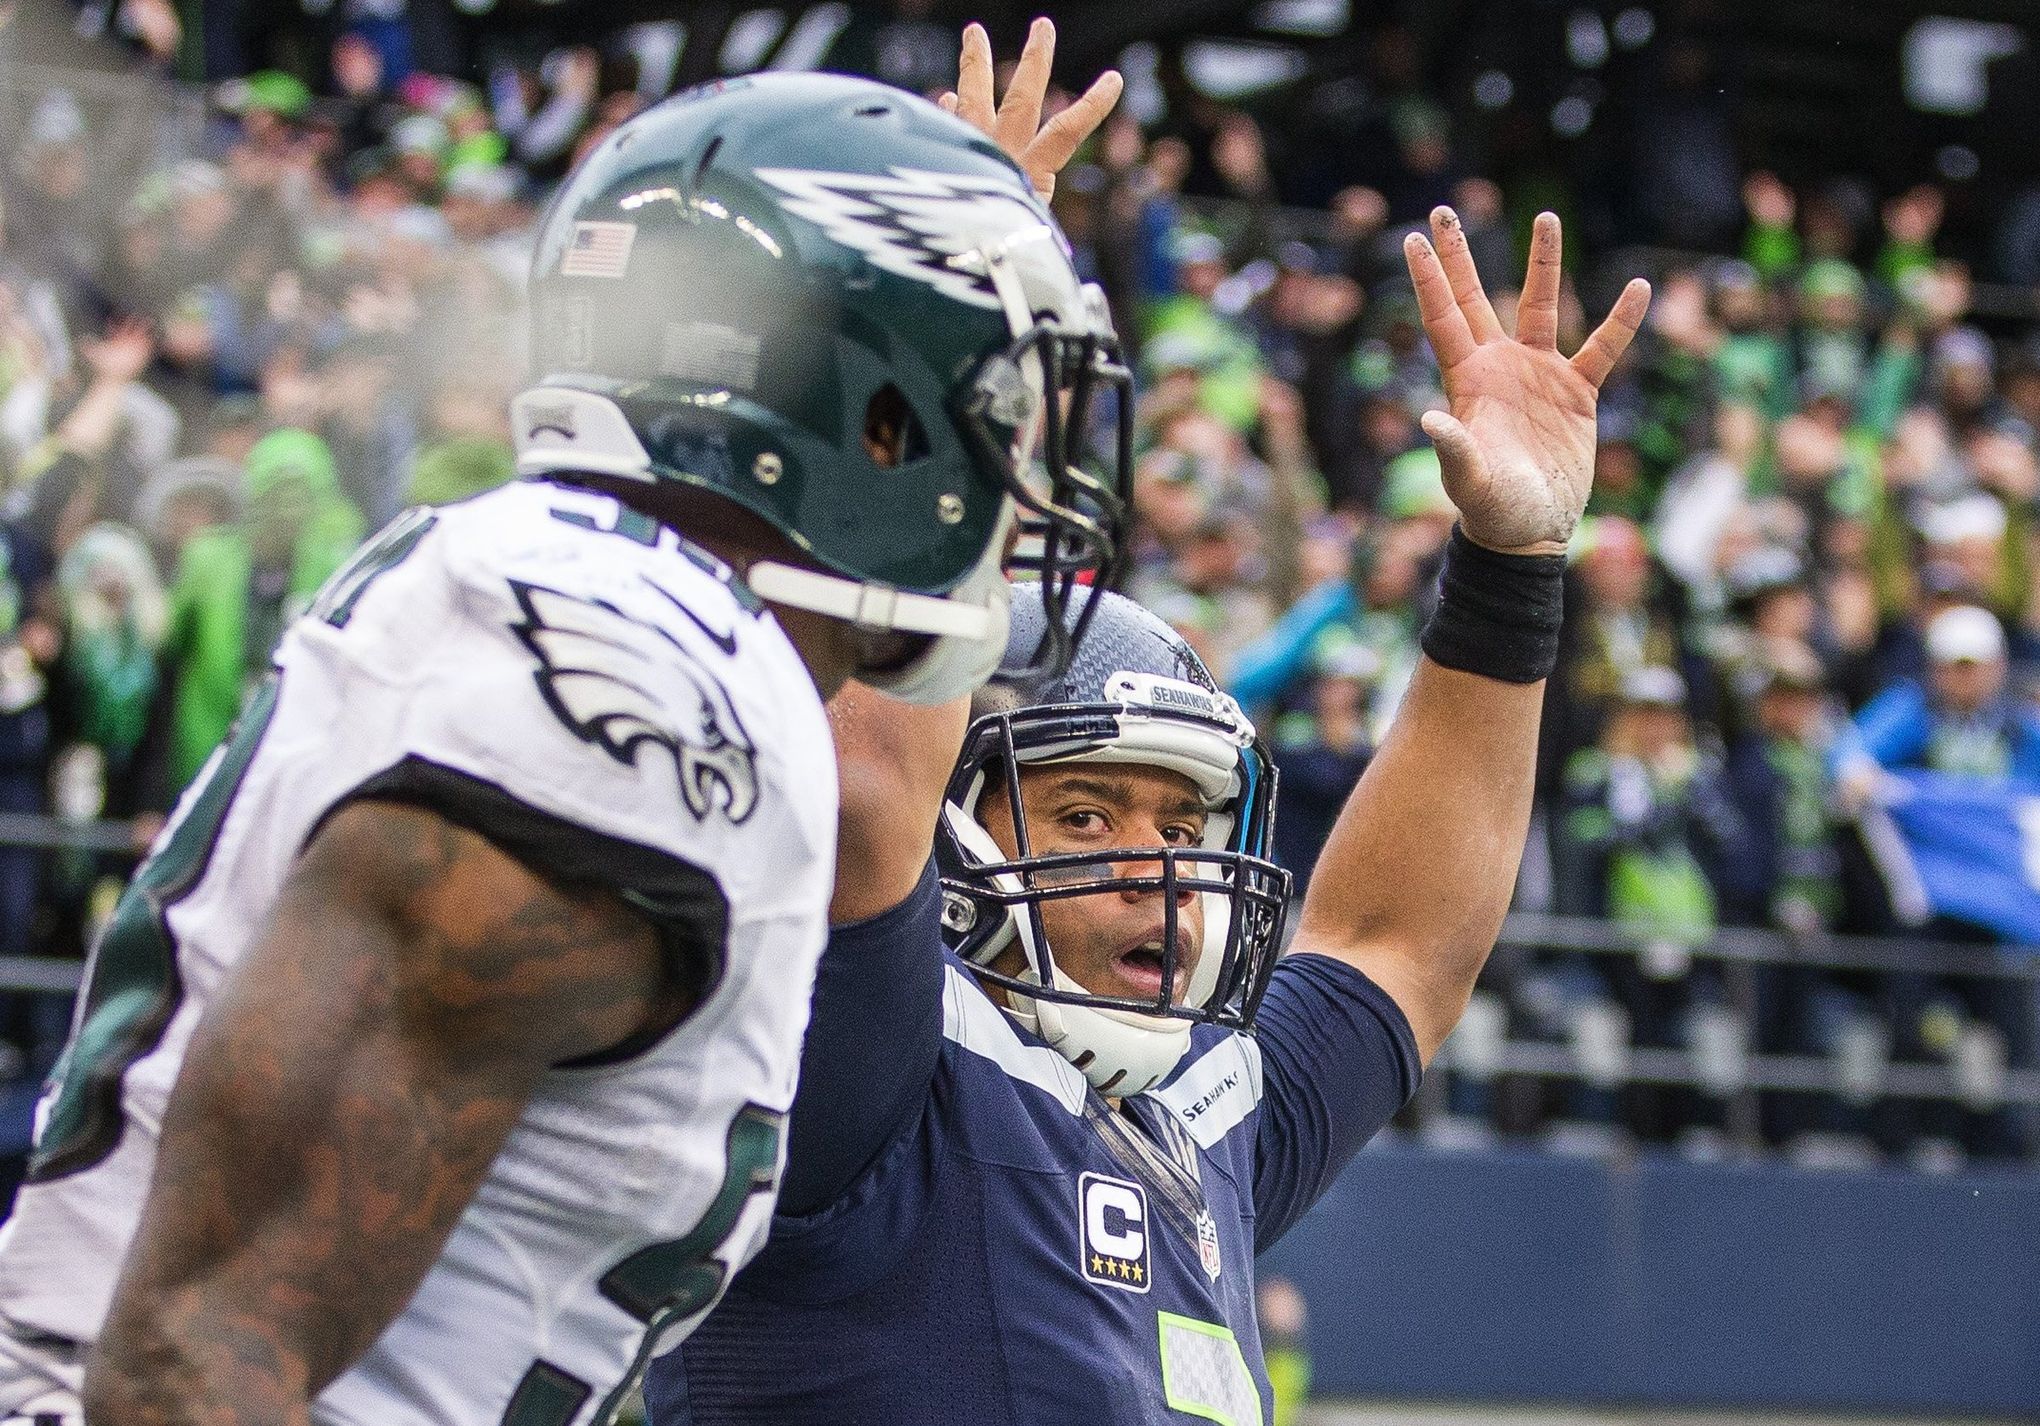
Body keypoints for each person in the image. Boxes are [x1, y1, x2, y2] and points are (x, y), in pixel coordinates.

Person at [0, 59, 1129, 1426]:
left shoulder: (617, 610)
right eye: (995, 410)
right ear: (865, 418)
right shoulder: (634, 670)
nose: (1024, 475)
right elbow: (200, 1354)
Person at [648, 146, 1652, 1420]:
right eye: (1084, 812)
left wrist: (1512, 566)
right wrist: (942, 311)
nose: (1158, 870)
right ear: (952, 837)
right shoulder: (862, 1062)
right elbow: (862, 804)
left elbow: (1399, 943)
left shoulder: (1197, 1112)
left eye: (1184, 824)